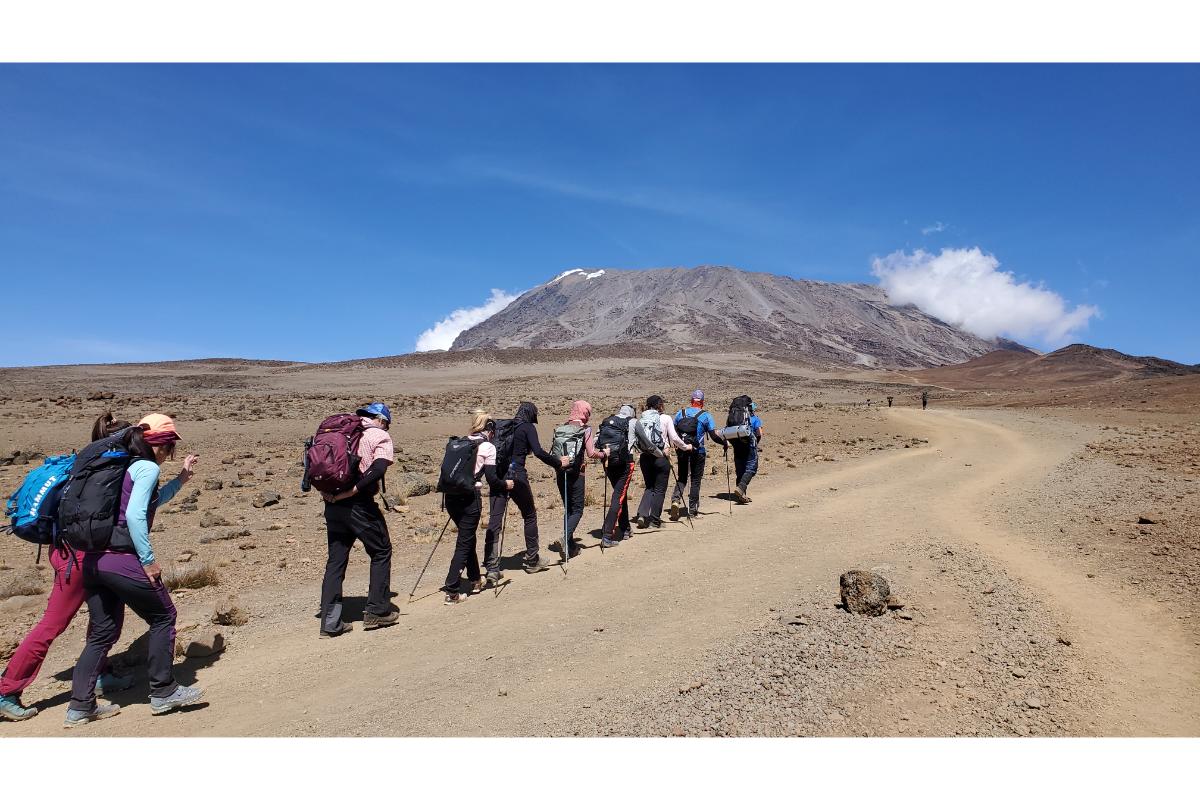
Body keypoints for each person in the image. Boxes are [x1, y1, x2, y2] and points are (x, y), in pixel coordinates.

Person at [65, 414, 204, 727]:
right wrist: (147, 559)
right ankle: (164, 691)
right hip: (122, 558)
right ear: (162, 445)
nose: (170, 454)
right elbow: (135, 515)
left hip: (93, 560)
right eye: (170, 447)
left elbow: (152, 500)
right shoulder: (146, 468)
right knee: (163, 616)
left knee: (102, 632)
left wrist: (181, 479)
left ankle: (80, 707)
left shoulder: (122, 466)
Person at [0, 413, 137, 723]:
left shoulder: (87, 464)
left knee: (104, 617)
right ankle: (6, 690)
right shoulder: (111, 470)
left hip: (67, 550)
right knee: (54, 623)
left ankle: (98, 673)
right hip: (78, 556)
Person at [318, 402, 399, 637]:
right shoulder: (379, 435)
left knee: (336, 560)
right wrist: (352, 491)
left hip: (332, 504)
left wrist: (329, 494)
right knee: (381, 550)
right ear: (381, 420)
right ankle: (377, 611)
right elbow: (379, 468)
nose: (387, 428)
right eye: (387, 424)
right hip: (359, 505)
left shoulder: (338, 432)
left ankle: (330, 622)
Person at [487, 402, 570, 574]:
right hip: (517, 475)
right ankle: (533, 559)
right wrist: (558, 463)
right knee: (529, 515)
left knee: (495, 521)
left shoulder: (504, 427)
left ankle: (491, 567)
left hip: (497, 476)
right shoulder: (527, 427)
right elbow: (538, 452)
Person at [441, 412, 511, 604]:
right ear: (490, 428)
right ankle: (452, 590)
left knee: (468, 537)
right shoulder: (487, 446)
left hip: (451, 498)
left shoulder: (460, 442)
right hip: (470, 498)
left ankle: (474, 579)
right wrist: (506, 484)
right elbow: (492, 479)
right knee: (464, 542)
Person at [551, 400, 604, 560]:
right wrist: (604, 454)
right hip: (577, 474)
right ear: (585, 413)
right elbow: (591, 453)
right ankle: (565, 538)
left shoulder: (561, 428)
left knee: (568, 509)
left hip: (561, 472)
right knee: (578, 510)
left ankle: (570, 547)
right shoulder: (585, 429)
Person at [634, 395, 692, 530]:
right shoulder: (665, 418)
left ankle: (642, 515)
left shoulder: (642, 419)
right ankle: (654, 520)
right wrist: (686, 447)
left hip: (645, 457)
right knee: (659, 489)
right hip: (661, 456)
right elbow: (674, 438)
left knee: (649, 487)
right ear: (660, 405)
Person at [669, 390, 722, 521]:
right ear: (702, 402)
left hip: (682, 450)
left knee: (682, 477)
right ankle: (692, 511)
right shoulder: (706, 416)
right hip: (698, 452)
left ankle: (675, 500)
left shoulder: (680, 413)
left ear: (691, 401)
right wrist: (724, 443)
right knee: (695, 480)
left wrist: (677, 446)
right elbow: (713, 436)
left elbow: (673, 432)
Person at [597, 404, 638, 549]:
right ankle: (607, 535)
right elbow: (645, 442)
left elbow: (597, 441)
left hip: (608, 461)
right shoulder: (633, 422)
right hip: (625, 462)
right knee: (618, 496)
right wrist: (657, 452)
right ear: (632, 412)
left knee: (620, 494)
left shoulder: (607, 421)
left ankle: (625, 528)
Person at [728, 400, 764, 504]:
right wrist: (756, 443)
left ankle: (742, 495)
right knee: (751, 468)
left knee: (740, 470)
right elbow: (759, 433)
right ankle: (741, 488)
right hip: (749, 446)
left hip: (737, 446)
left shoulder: (736, 419)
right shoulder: (755, 419)